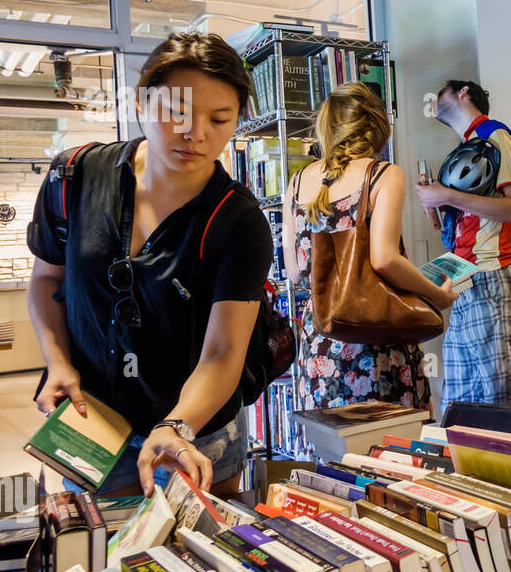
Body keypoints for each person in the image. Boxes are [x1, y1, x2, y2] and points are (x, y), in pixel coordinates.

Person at [27, 32, 274, 497]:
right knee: (101, 555)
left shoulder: (238, 220)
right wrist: (57, 362)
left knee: (202, 560)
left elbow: (224, 351)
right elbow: (46, 282)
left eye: (220, 119)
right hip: (91, 418)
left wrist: (178, 425)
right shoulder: (74, 178)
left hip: (196, 429)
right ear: (142, 100)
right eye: (176, 113)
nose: (196, 135)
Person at [285, 82, 454, 411]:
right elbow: (384, 259)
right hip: (375, 339)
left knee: (332, 454)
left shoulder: (296, 183)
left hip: (320, 344)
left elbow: (295, 274)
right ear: (377, 126)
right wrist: (436, 295)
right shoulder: (383, 175)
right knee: (389, 452)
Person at [414, 80, 511, 412]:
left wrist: (446, 195)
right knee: (460, 403)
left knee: (497, 399)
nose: (435, 99)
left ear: (464, 92)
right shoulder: (468, 147)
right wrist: (434, 204)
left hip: (494, 273)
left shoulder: (495, 136)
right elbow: (451, 230)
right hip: (468, 277)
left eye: (442, 93)